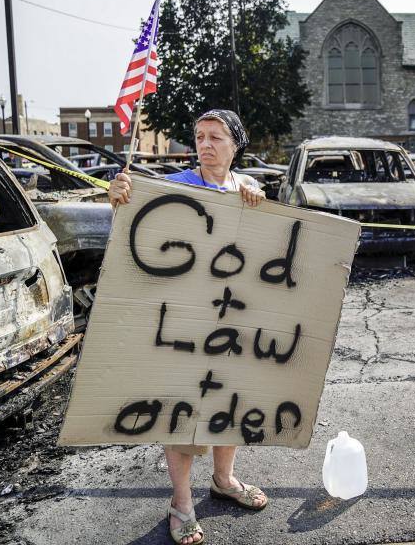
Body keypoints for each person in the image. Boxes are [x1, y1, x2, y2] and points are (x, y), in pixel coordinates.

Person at [108, 109, 267, 545]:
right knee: (179, 413)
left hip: (232, 322)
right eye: (199, 136)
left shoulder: (246, 189)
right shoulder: (176, 186)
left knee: (228, 404)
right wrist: (120, 193)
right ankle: (181, 504)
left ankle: (224, 480)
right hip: (180, 325)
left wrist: (257, 199)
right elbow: (135, 212)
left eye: (216, 137)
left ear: (236, 145)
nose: (205, 144)